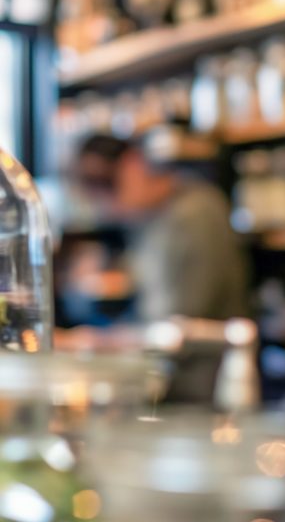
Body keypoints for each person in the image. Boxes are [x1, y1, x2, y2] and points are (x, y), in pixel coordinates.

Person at [70, 132, 250, 399]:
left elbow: (181, 324)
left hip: (200, 391)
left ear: (133, 164)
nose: (105, 207)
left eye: (106, 186)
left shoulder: (195, 214)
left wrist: (100, 341)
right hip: (166, 381)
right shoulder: (150, 220)